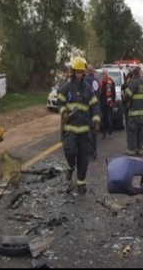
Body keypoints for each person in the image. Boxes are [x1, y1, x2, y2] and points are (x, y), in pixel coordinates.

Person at [57, 57, 100, 195]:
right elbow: (60, 102)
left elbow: (94, 105)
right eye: (77, 72)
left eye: (81, 72)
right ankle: (70, 166)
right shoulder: (67, 87)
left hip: (84, 129)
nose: (79, 74)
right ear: (73, 72)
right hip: (70, 128)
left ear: (84, 73)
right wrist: (63, 112)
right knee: (69, 150)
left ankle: (81, 183)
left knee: (84, 158)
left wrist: (96, 120)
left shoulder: (87, 88)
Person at [123, 66, 143, 156]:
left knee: (132, 132)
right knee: (141, 132)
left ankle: (131, 150)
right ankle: (140, 149)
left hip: (134, 113)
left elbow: (126, 95)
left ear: (133, 75)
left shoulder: (134, 83)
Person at [84, 65, 101, 160]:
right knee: (94, 132)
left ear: (87, 71)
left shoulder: (84, 81)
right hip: (96, 108)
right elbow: (99, 94)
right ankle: (94, 151)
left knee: (87, 132)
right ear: (93, 71)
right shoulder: (97, 81)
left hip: (87, 109)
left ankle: (90, 152)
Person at [100, 68, 116, 139]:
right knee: (103, 119)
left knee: (109, 119)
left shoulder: (110, 81)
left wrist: (113, 101)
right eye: (103, 74)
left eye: (105, 74)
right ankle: (104, 134)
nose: (104, 75)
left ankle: (110, 133)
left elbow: (113, 93)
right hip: (102, 104)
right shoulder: (101, 82)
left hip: (109, 103)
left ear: (107, 74)